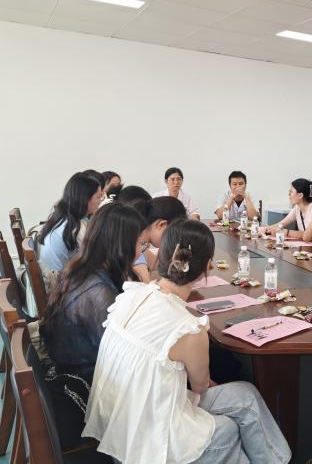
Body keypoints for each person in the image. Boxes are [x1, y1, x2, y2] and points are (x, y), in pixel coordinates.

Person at [83, 219, 291, 464]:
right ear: (207, 266)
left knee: (245, 395)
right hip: (150, 443)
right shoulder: (188, 328)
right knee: (228, 427)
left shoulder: (131, 295)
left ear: (161, 255)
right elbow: (202, 387)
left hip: (121, 423)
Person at [40, 202, 148, 448]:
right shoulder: (98, 292)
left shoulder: (83, 269)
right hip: (90, 389)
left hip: (77, 368)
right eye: (139, 244)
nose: (140, 251)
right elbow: (121, 359)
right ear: (121, 244)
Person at [38, 172, 103, 272]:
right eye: (98, 197)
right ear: (85, 199)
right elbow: (93, 261)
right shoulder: (75, 227)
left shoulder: (62, 217)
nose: (101, 201)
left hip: (52, 274)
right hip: (61, 279)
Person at [130, 197, 187, 282]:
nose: (173, 240)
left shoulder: (142, 243)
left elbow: (158, 268)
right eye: (174, 234)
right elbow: (145, 283)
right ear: (161, 225)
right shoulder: (134, 246)